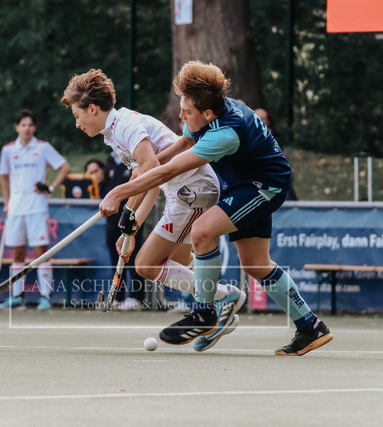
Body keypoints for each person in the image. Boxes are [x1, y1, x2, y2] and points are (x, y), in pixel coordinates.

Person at [100, 61, 333, 356]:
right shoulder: (208, 108)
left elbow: (168, 172)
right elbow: (184, 141)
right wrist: (148, 166)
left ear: (207, 114)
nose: (181, 115)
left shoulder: (224, 134)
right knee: (255, 264)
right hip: (241, 184)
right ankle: (310, 326)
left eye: (187, 111)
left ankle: (204, 313)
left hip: (264, 187)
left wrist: (119, 192)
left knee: (202, 232)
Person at [62, 69, 245, 351]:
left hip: (191, 191)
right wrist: (130, 228)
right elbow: (150, 181)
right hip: (182, 191)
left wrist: (122, 203)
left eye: (77, 115)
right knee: (178, 262)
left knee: (146, 265)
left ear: (93, 109)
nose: (77, 123)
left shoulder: (125, 126)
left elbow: (150, 168)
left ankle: (223, 297)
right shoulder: (113, 132)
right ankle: (221, 307)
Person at [0, 109, 71, 310]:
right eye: (23, 125)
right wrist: (7, 202)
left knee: (41, 252)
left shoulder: (43, 147)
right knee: (17, 253)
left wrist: (51, 187)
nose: (27, 129)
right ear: (17, 127)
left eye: (30, 125)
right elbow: (4, 176)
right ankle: (17, 296)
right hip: (16, 209)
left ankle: (45, 296)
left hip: (37, 208)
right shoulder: (8, 150)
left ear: (35, 127)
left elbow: (65, 167)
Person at [85, 156, 146, 310]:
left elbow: (149, 183)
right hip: (112, 221)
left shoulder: (135, 158)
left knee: (133, 259)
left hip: (133, 218)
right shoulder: (110, 164)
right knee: (116, 260)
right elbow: (99, 183)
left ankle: (135, 298)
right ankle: (117, 298)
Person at [253, 108, 297, 201]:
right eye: (256, 118)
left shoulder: (274, 138)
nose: (259, 121)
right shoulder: (248, 136)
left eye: (262, 118)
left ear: (268, 121)